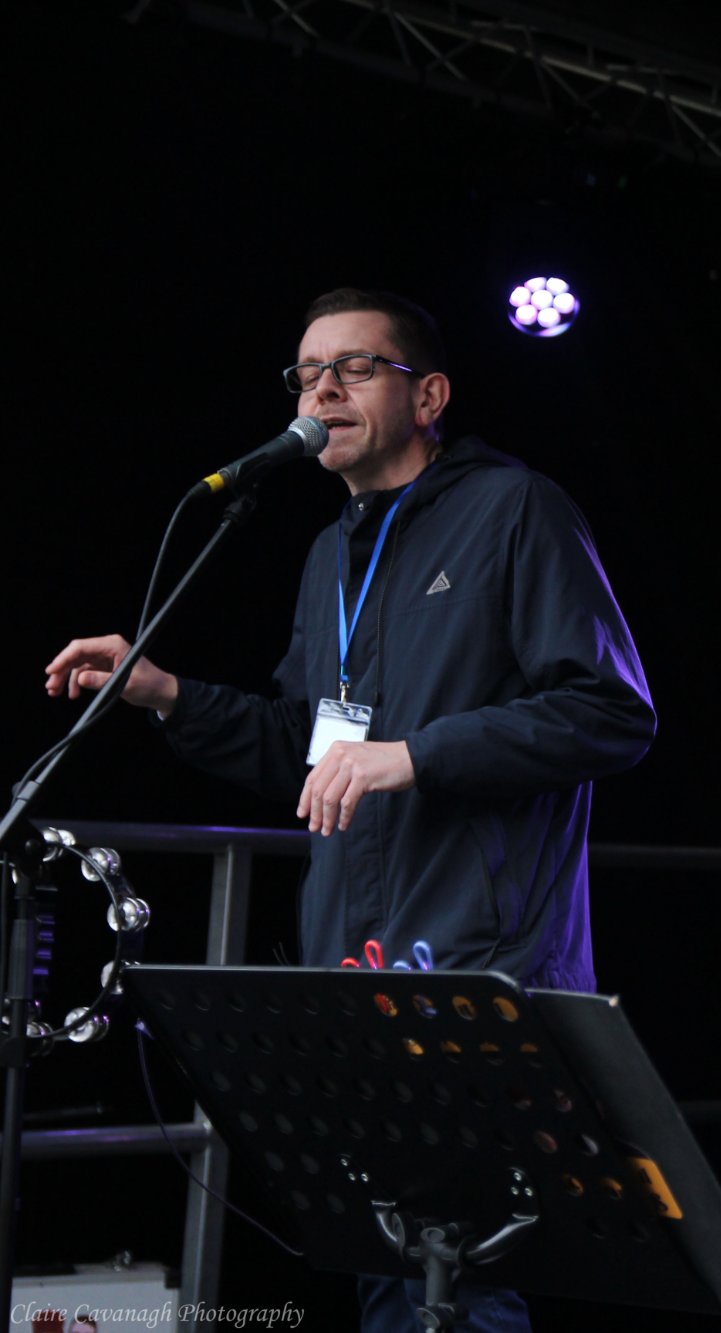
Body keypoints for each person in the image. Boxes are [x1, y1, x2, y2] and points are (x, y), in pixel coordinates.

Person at [44, 288, 656, 1332]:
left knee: (463, 1280)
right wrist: (167, 693)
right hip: (351, 969)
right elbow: (310, 745)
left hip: (475, 969)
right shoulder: (333, 551)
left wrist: (415, 754)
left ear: (430, 396)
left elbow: (610, 712)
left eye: (354, 367)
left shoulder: (515, 509)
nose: (321, 389)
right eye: (306, 373)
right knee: (387, 1266)